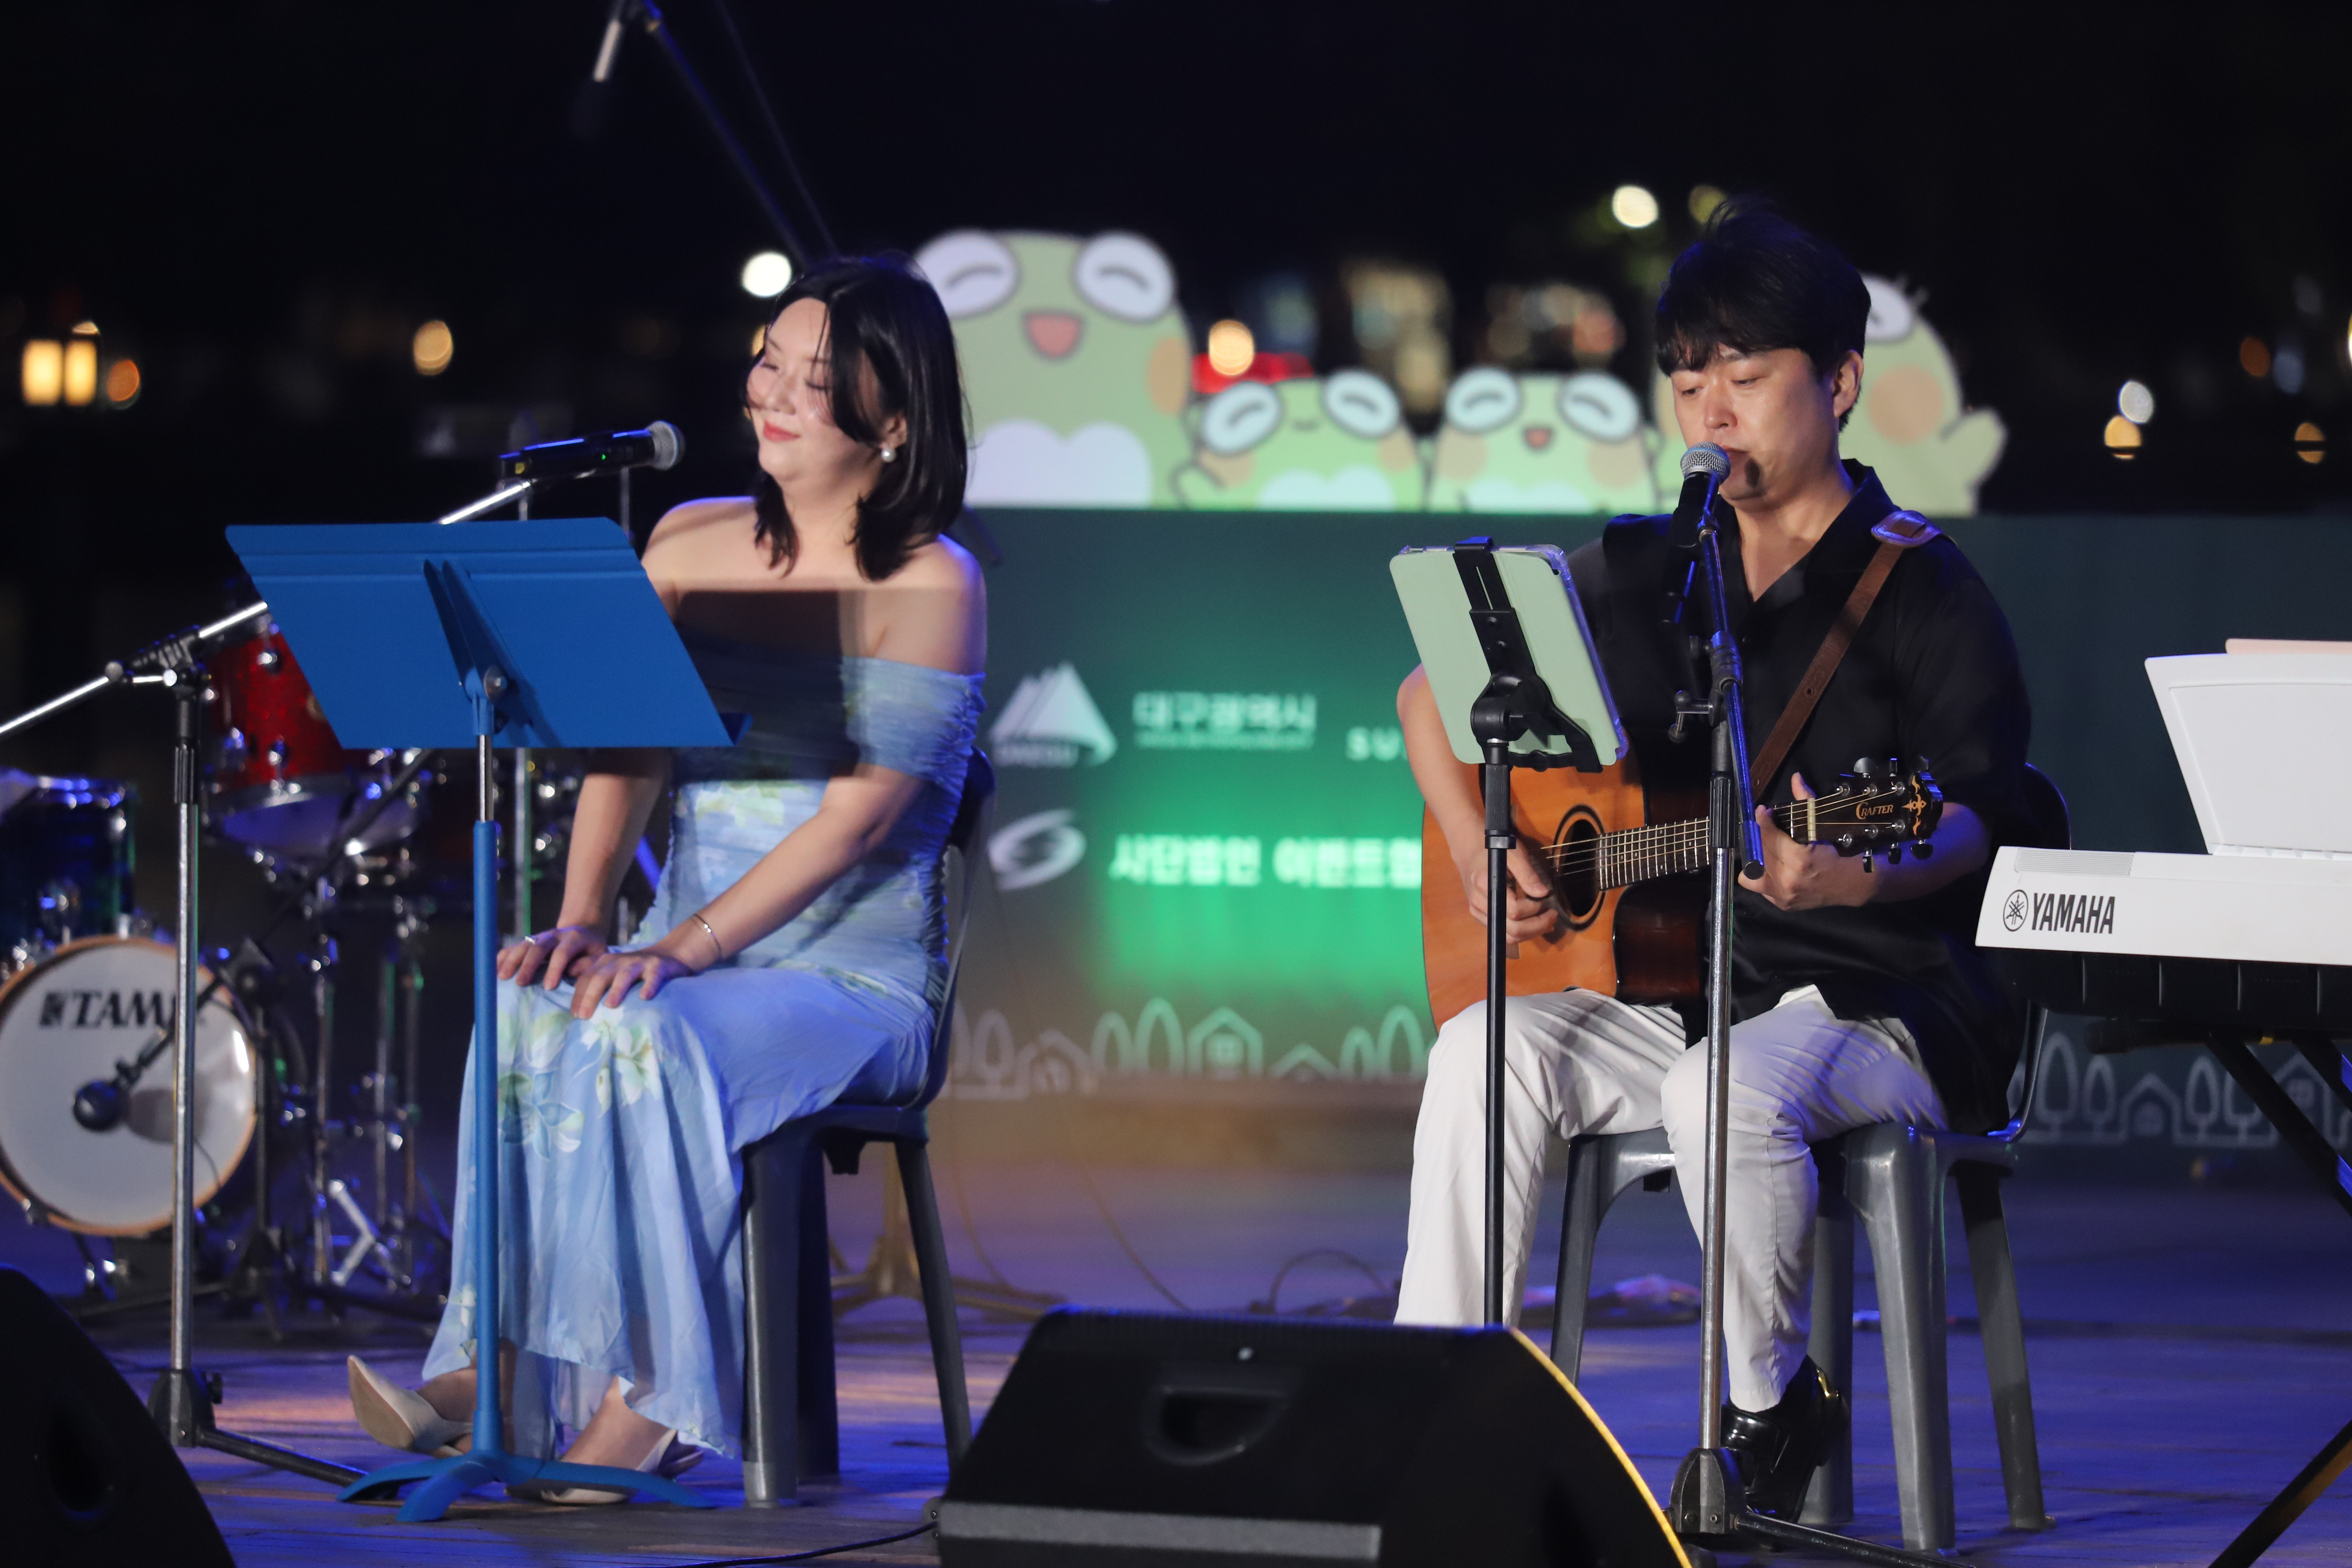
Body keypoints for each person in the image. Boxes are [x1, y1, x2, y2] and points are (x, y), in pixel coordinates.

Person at [1392, 205, 2033, 1519]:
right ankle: (1434, 1421)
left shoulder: (1926, 588)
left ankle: (1768, 1412)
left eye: (1745, 375)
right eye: (1690, 383)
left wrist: (1858, 873)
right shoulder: (1650, 568)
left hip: (1885, 1000)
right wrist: (1476, 842)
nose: (1713, 411)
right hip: (1688, 996)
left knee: (1719, 1090)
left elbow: (1982, 813)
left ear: (1839, 383)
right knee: (1483, 1050)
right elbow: (1427, 692)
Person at [345, 254, 986, 1501]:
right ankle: (498, 1367)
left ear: (896, 422)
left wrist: (680, 951)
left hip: (851, 982)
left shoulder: (930, 580)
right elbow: (628, 749)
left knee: (644, 1029)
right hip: (683, 947)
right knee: (530, 1004)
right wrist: (585, 920)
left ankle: (650, 1406)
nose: (774, 393)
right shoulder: (689, 538)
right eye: (769, 361)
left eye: (816, 378)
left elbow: (858, 822)